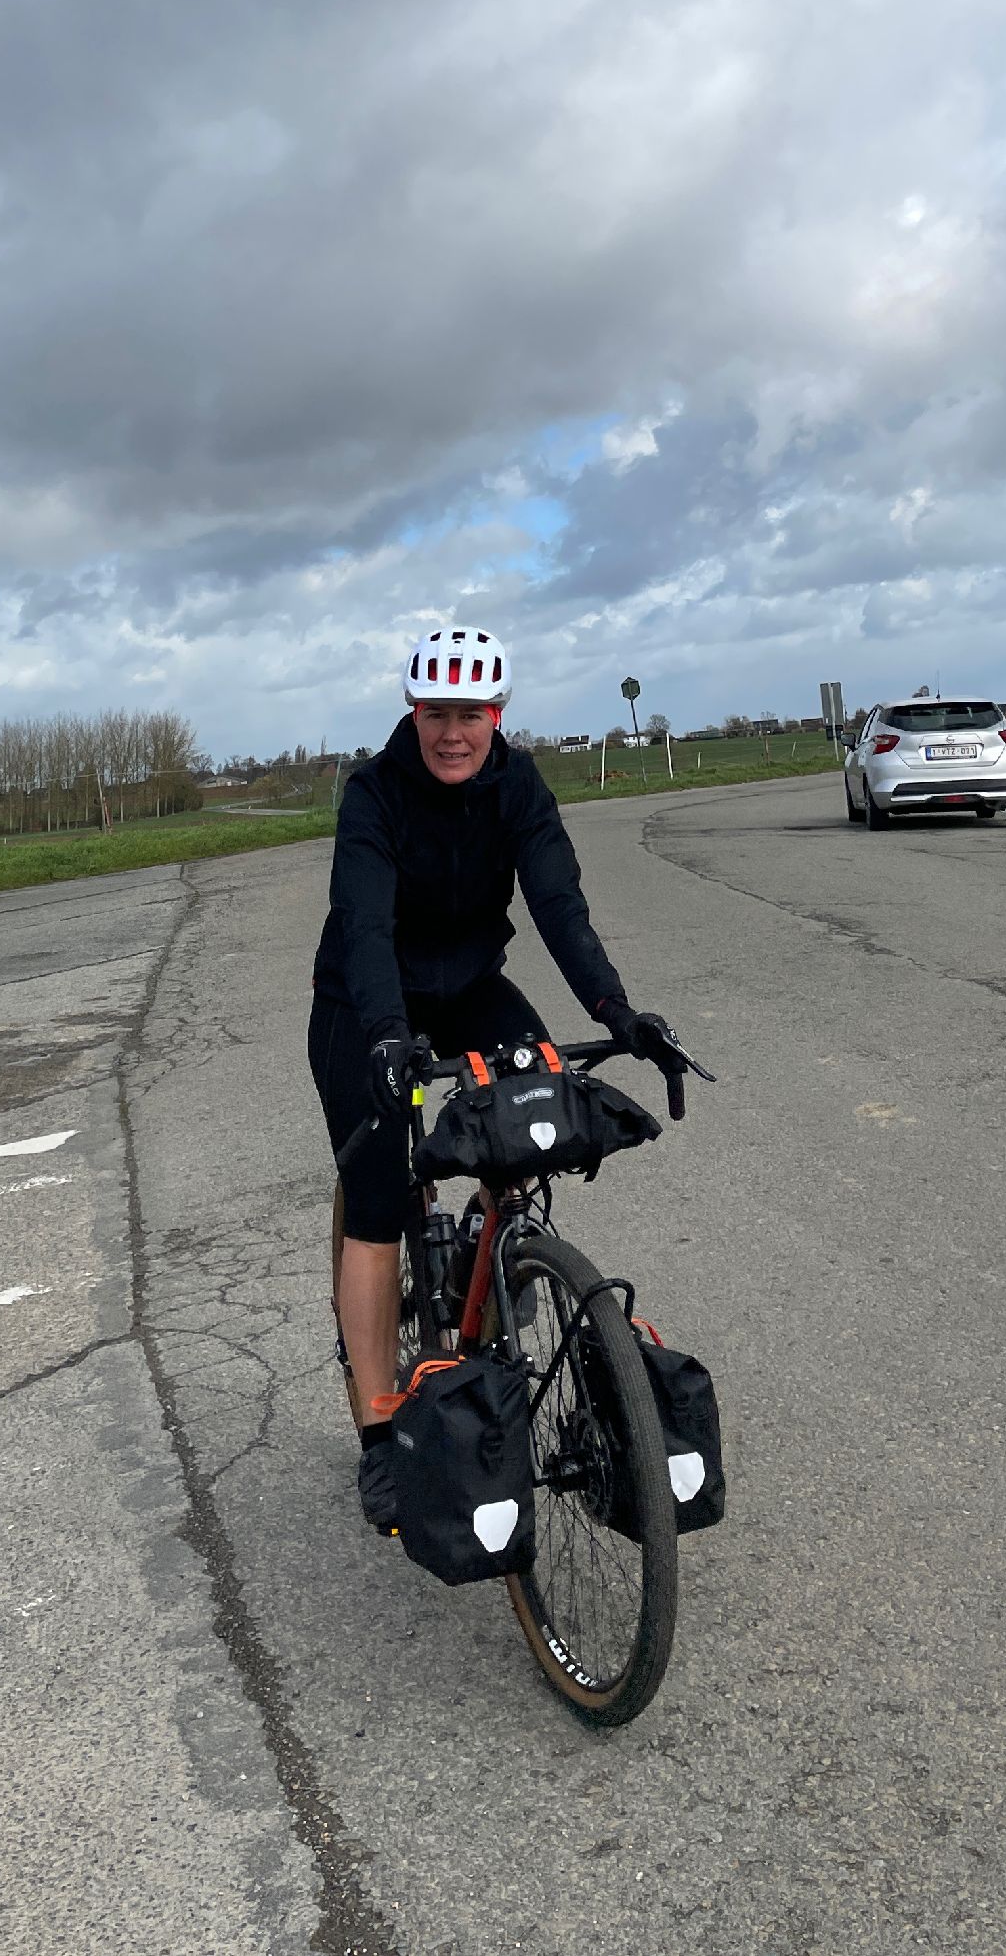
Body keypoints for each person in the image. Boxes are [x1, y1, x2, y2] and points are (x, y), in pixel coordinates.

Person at [310, 622, 677, 1531]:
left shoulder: (518, 786)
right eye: (437, 713)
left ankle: (490, 1251)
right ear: (413, 712)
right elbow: (364, 927)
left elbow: (558, 904)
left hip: (470, 983)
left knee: (534, 1113)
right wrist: (388, 1037)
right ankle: (380, 1432)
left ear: (497, 716)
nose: (452, 732)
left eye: (470, 714)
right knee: (379, 1202)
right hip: (366, 1001)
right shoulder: (374, 793)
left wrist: (618, 1012)